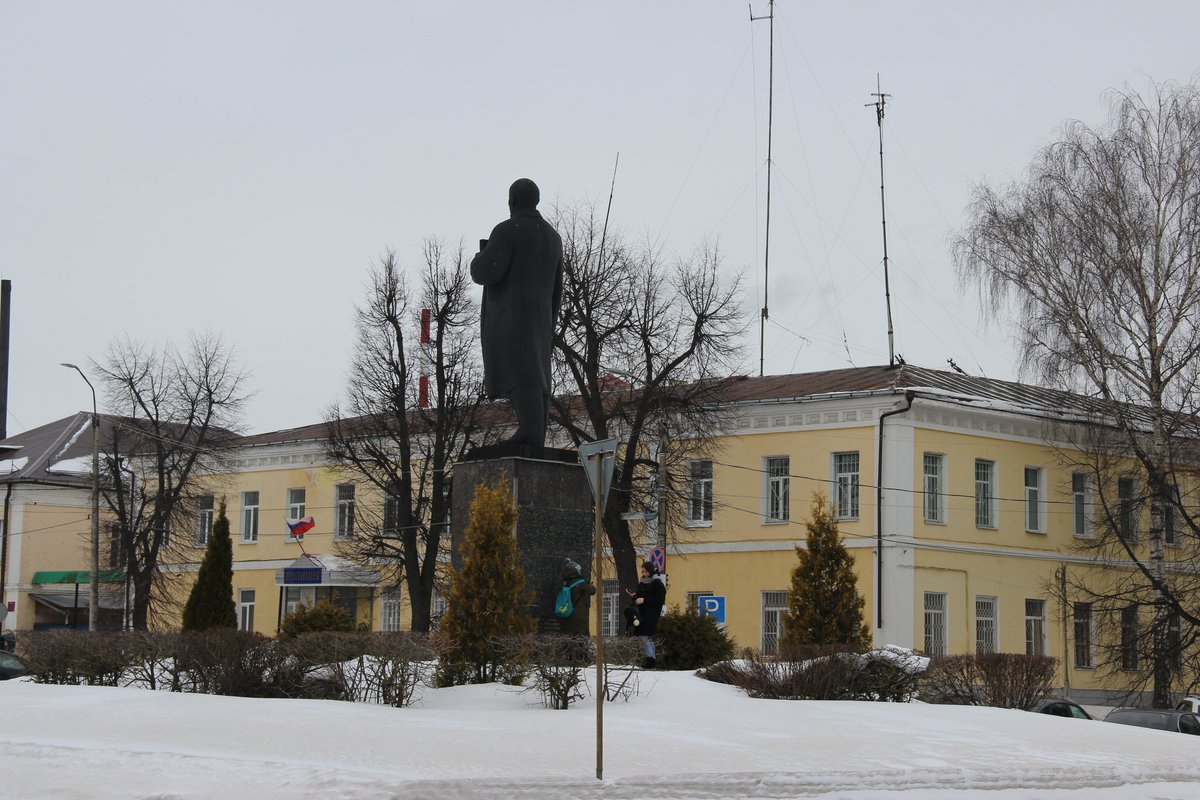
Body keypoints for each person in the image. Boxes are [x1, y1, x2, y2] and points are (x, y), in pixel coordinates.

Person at [470, 178, 564, 447]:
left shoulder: (507, 230)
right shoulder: (553, 237)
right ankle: (535, 430)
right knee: (536, 369)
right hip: (541, 317)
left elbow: (487, 271)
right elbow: (558, 286)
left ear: (512, 201)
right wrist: (549, 319)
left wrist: (479, 257)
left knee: (519, 369)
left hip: (510, 317)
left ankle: (530, 431)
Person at [628, 560, 667, 668]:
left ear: (650, 571)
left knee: (644, 636)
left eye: (645, 571)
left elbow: (659, 599)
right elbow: (640, 597)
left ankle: (650, 661)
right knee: (645, 637)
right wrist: (634, 597)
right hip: (642, 614)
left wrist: (644, 600)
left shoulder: (657, 584)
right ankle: (652, 659)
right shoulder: (642, 583)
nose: (643, 574)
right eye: (642, 571)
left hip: (652, 615)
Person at [558, 558, 597, 637]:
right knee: (581, 638)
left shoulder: (565, 582)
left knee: (570, 637)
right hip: (580, 616)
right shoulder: (580, 582)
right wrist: (589, 584)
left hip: (568, 613)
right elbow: (592, 591)